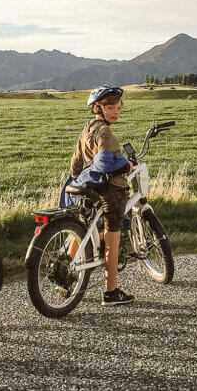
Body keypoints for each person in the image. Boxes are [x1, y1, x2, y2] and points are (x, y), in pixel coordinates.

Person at [70, 85, 134, 306]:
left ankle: (67, 281)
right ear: (98, 108)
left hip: (88, 187)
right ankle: (110, 292)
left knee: (81, 230)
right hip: (111, 189)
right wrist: (126, 165)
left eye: (117, 107)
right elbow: (106, 162)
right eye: (110, 107)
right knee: (112, 237)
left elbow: (76, 163)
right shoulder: (105, 131)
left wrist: (80, 179)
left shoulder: (88, 128)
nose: (115, 112)